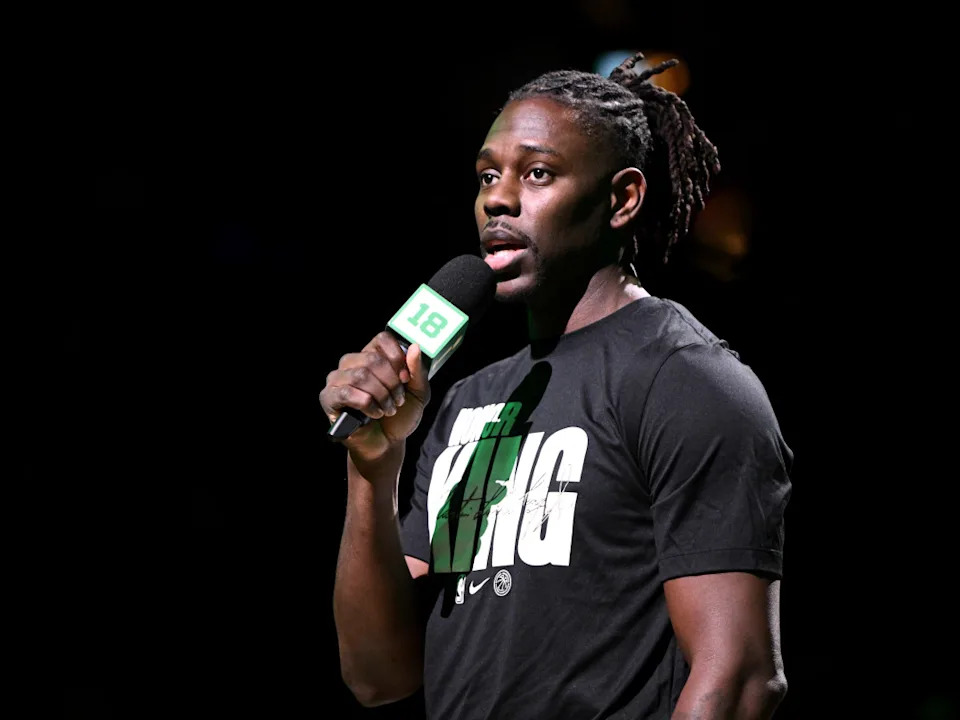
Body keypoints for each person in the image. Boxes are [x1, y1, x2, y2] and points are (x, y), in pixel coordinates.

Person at [320, 52, 793, 719]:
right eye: (488, 175)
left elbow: (739, 679)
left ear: (622, 198)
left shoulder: (687, 381)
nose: (498, 198)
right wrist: (373, 468)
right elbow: (379, 676)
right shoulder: (465, 402)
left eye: (537, 173)